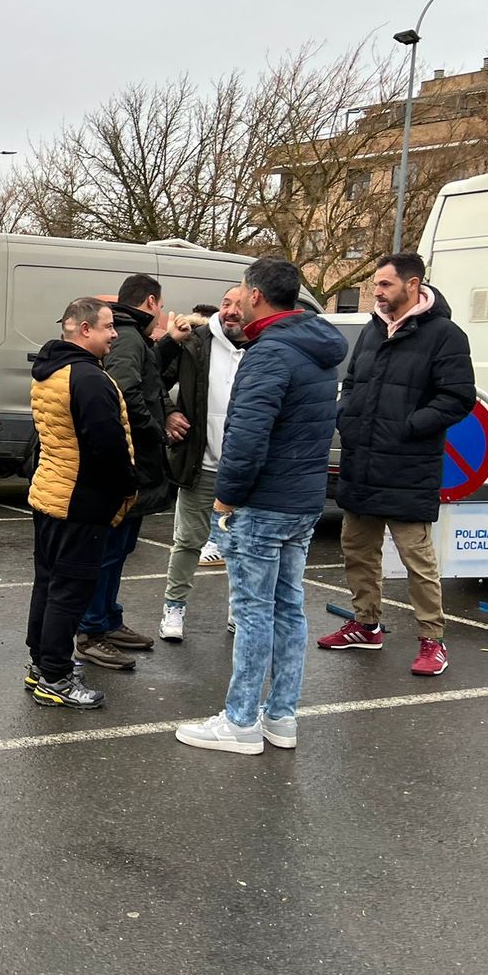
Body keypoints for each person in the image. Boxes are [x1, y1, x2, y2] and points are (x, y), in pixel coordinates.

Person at [175, 258, 348, 755]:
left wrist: (227, 495)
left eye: (243, 292)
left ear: (255, 295)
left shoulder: (269, 353)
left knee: (253, 612)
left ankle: (240, 721)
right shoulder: (317, 349)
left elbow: (247, 436)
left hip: (265, 502)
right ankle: (280, 717)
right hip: (303, 499)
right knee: (289, 608)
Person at [321, 252, 476, 676]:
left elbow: (458, 397)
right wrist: (347, 417)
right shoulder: (373, 330)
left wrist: (409, 427)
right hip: (362, 461)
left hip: (409, 465)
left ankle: (432, 640)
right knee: (357, 550)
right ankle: (366, 625)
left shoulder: (445, 335)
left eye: (385, 284)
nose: (377, 291)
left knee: (416, 559)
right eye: (375, 283)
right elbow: (352, 383)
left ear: (413, 284)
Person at [23, 298, 136, 709]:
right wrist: (129, 485)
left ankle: (41, 664)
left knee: (50, 585)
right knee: (69, 591)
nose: (114, 334)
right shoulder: (88, 379)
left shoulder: (51, 370)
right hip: (80, 502)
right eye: (108, 326)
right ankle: (54, 676)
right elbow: (107, 446)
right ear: (85, 330)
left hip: (52, 494)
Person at [71, 273, 172, 665]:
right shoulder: (130, 337)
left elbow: (146, 384)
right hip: (132, 462)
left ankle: (108, 620)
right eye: (160, 305)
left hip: (136, 462)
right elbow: (126, 392)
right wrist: (157, 429)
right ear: (150, 301)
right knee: (111, 550)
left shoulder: (131, 336)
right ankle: (93, 629)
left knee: (121, 547)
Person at [156, 285, 247, 641]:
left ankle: (238, 612)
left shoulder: (263, 348)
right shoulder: (195, 343)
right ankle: (174, 609)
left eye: (239, 305)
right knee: (188, 542)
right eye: (226, 304)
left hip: (243, 469)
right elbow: (153, 381)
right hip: (200, 463)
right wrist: (167, 412)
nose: (231, 311)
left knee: (242, 546)